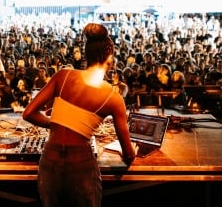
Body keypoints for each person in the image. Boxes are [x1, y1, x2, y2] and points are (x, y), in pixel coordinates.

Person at [23, 23, 137, 207]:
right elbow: (129, 154)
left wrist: (56, 123)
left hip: (49, 159)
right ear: (109, 59)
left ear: (86, 55)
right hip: (81, 164)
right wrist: (133, 151)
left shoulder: (63, 76)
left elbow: (28, 113)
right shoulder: (114, 98)